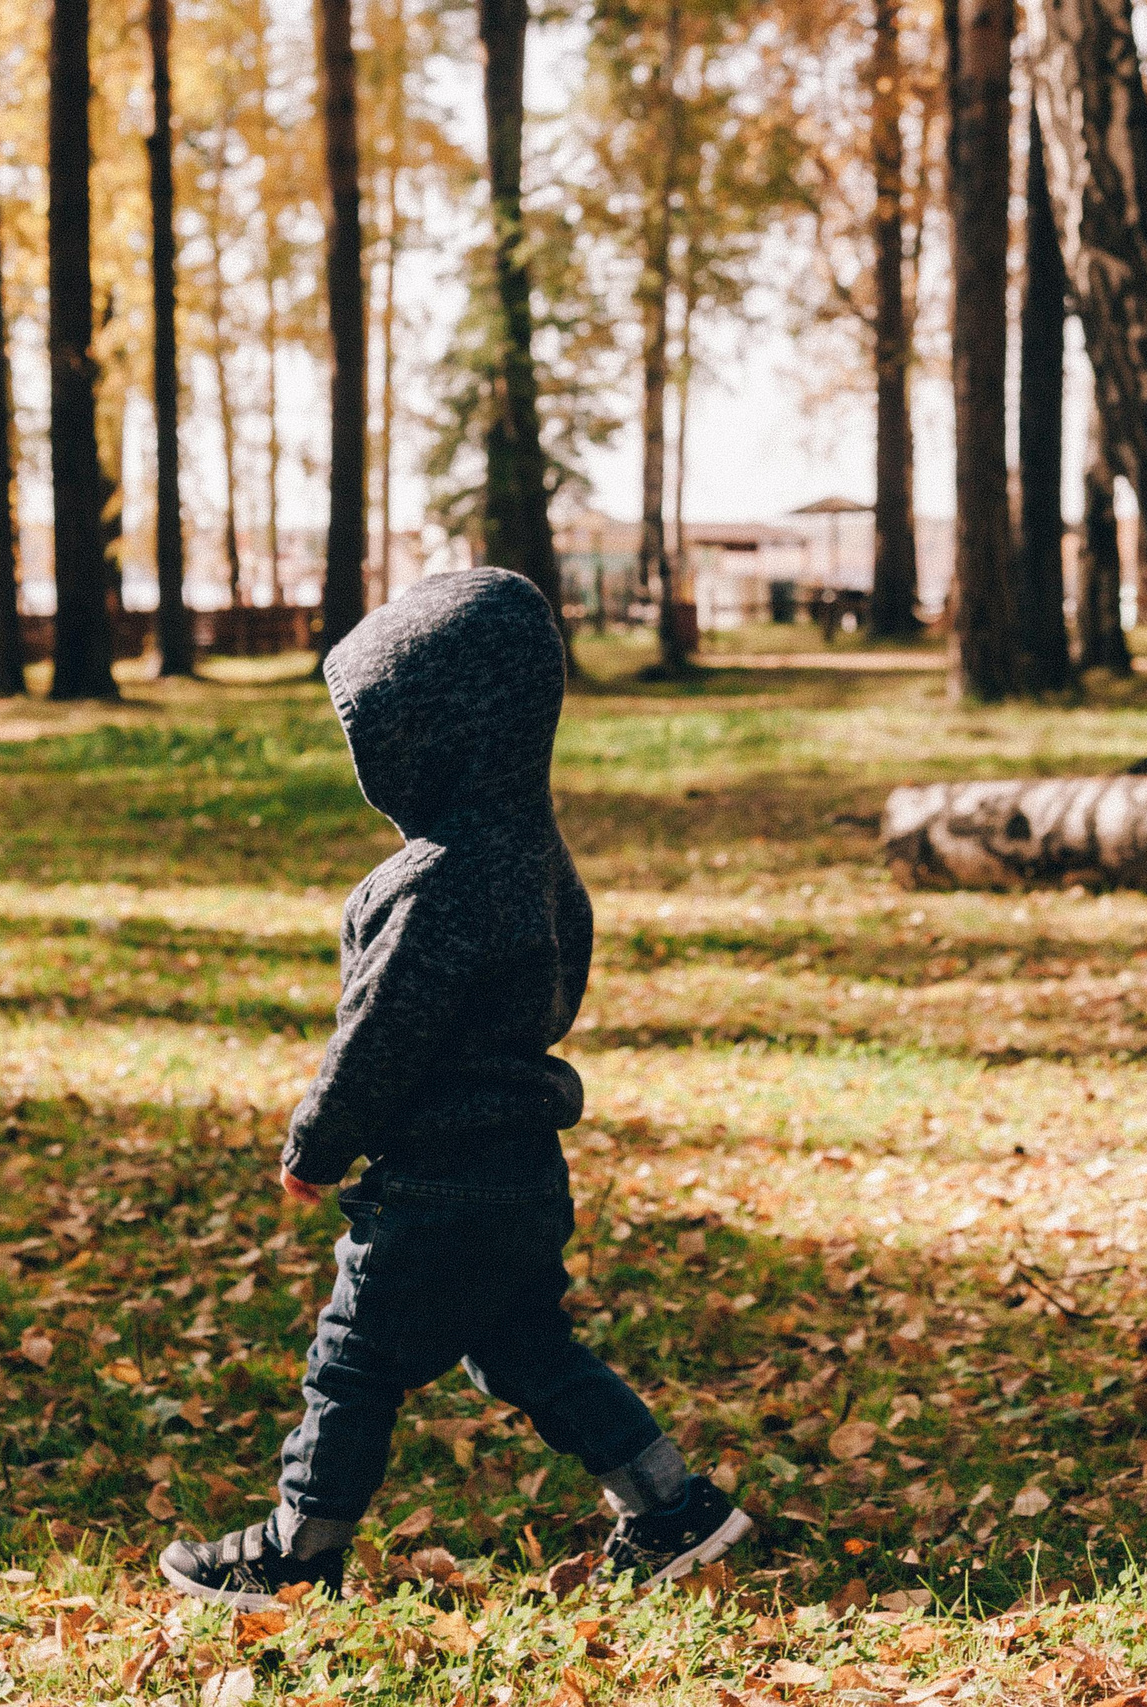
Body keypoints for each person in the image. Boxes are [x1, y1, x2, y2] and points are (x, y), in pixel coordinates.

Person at [158, 568, 750, 1611]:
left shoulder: (441, 879)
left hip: (436, 1185)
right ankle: (671, 1506)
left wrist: (314, 1143)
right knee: (526, 1348)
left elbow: (380, 1035)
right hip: (523, 1174)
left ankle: (298, 1550)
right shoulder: (538, 859)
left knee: (351, 1362)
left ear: (435, 734)